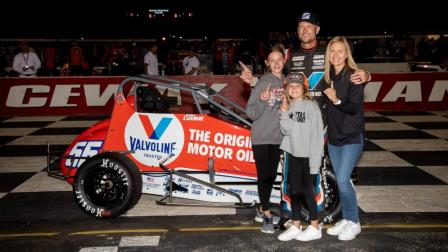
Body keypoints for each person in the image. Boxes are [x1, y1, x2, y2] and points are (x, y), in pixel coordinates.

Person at [240, 11, 370, 226]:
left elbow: (345, 69)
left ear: (317, 30)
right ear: (297, 31)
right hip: (294, 125)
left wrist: (366, 75)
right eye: (301, 27)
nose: (305, 30)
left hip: (324, 124)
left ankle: (317, 218)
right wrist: (255, 81)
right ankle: (293, 216)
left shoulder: (328, 54)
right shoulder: (290, 56)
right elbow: (278, 76)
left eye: (309, 27)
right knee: (292, 175)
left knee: (318, 172)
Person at [323, 36, 365, 241]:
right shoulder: (329, 75)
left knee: (342, 179)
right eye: (332, 51)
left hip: (351, 137)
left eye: (340, 51)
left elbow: (353, 108)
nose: (336, 55)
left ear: (347, 53)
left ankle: (355, 222)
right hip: (334, 137)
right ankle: (347, 219)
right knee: (342, 181)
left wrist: (336, 100)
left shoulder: (354, 76)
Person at [277, 73, 324, 241]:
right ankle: (296, 226)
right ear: (287, 90)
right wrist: (283, 112)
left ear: (304, 89)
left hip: (308, 156)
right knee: (294, 191)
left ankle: (314, 226)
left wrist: (314, 164)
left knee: (307, 191)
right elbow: (285, 131)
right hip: (292, 155)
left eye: (297, 86)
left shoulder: (311, 107)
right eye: (291, 86)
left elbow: (318, 136)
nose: (294, 88)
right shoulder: (287, 106)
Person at [246, 45, 285, 234]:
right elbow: (250, 112)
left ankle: (262, 208)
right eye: (272, 60)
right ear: (267, 63)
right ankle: (267, 214)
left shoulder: (288, 82)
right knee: (264, 176)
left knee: (271, 176)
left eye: (279, 59)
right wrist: (262, 99)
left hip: (278, 138)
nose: (276, 63)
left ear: (284, 60)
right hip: (261, 137)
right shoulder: (263, 82)